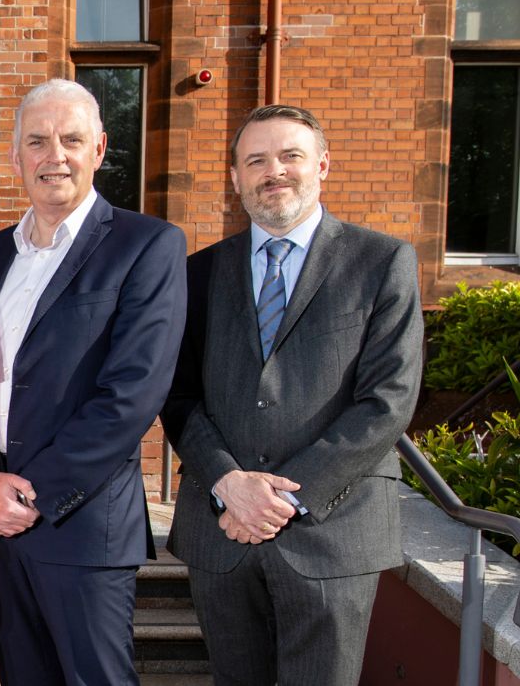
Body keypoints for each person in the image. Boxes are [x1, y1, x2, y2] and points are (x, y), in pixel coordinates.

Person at [161, 104, 422, 686]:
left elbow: (389, 398)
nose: (273, 171)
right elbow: (177, 396)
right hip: (222, 528)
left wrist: (280, 499)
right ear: (236, 177)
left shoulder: (382, 262)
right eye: (256, 160)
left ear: (322, 165)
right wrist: (229, 483)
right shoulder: (198, 273)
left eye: (290, 156)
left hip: (334, 531)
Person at [0, 78, 187, 684]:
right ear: (16, 157)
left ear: (100, 149)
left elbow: (133, 392)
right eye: (37, 141)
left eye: (71, 140)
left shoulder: (146, 246)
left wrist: (31, 494)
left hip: (82, 524)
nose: (54, 155)